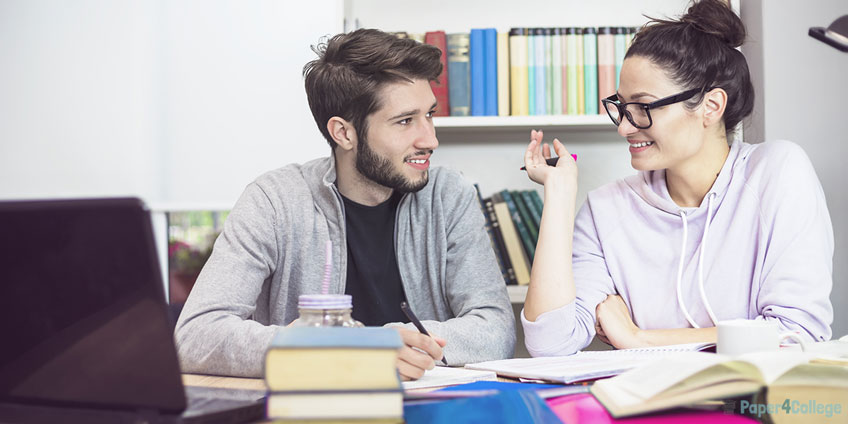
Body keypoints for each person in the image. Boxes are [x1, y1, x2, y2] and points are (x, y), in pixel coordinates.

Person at [174, 28, 515, 379]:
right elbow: (195, 336)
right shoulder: (273, 201)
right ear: (344, 133)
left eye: (429, 114)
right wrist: (351, 349)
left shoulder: (449, 195)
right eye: (405, 121)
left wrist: (402, 342)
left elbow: (496, 329)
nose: (430, 139)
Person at [521, 0, 833, 357]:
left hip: (758, 408)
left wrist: (639, 339)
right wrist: (559, 196)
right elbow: (550, 344)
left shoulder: (777, 172)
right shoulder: (604, 209)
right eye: (622, 107)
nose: (624, 126)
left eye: (643, 107)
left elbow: (798, 334)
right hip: (645, 409)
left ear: (710, 107)